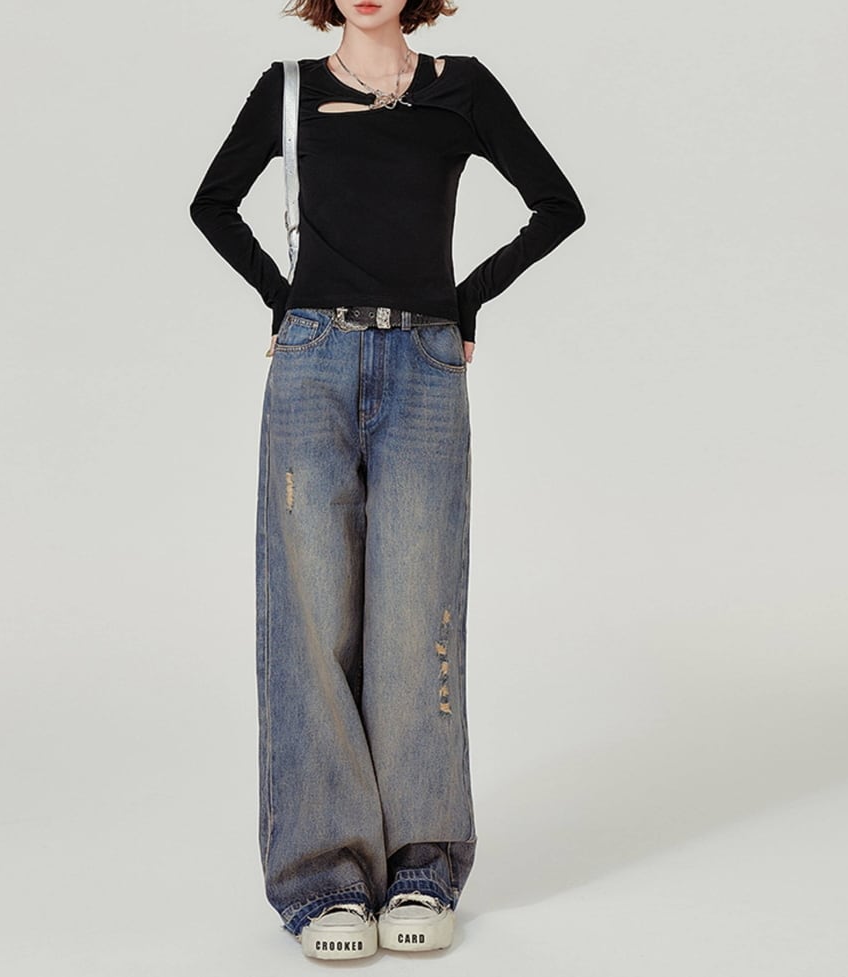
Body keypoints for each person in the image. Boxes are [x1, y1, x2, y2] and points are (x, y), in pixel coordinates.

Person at [189, 0, 585, 960]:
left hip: (425, 367)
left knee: (418, 614)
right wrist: (284, 298)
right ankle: (323, 876)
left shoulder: (463, 89)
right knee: (310, 616)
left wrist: (464, 301)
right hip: (312, 363)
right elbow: (212, 204)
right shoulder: (289, 91)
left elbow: (557, 205)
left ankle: (421, 866)